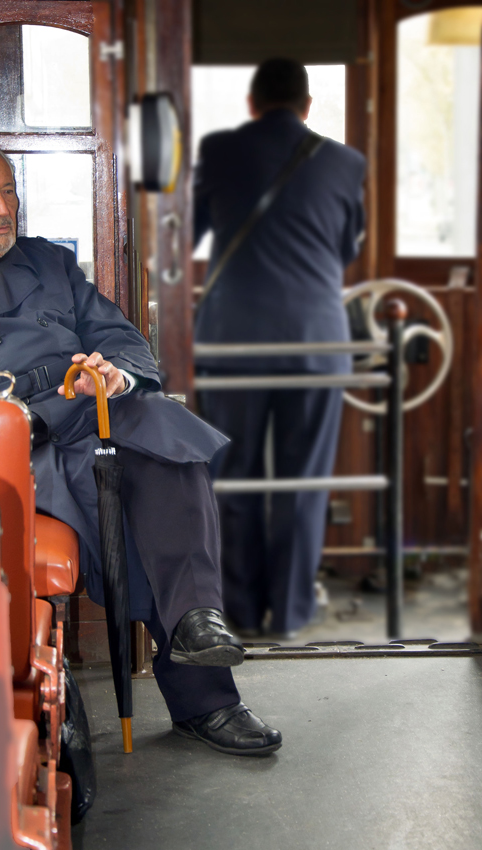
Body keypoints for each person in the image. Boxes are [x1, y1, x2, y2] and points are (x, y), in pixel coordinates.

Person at [0, 132, 281, 756]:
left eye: (8, 191)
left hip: (88, 411)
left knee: (170, 445)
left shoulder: (48, 262)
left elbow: (120, 338)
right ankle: (205, 697)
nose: (3, 208)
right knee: (133, 509)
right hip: (18, 444)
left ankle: (199, 624)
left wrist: (117, 373)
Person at [194, 58, 366, 638]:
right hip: (316, 338)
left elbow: (189, 231)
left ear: (252, 103)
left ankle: (241, 611)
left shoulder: (219, 151)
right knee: (303, 480)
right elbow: (346, 248)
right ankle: (290, 613)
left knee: (234, 474)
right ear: (307, 105)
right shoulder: (345, 162)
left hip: (232, 337)